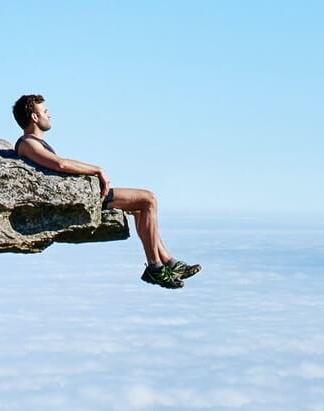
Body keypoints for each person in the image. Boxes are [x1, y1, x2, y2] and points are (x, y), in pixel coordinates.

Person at [12, 94, 199, 290]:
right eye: (45, 112)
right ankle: (156, 267)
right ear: (34, 117)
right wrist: (97, 169)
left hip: (86, 194)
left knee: (140, 208)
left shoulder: (34, 142)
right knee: (148, 199)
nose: (49, 116)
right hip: (83, 198)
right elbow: (60, 164)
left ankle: (168, 262)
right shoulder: (28, 143)